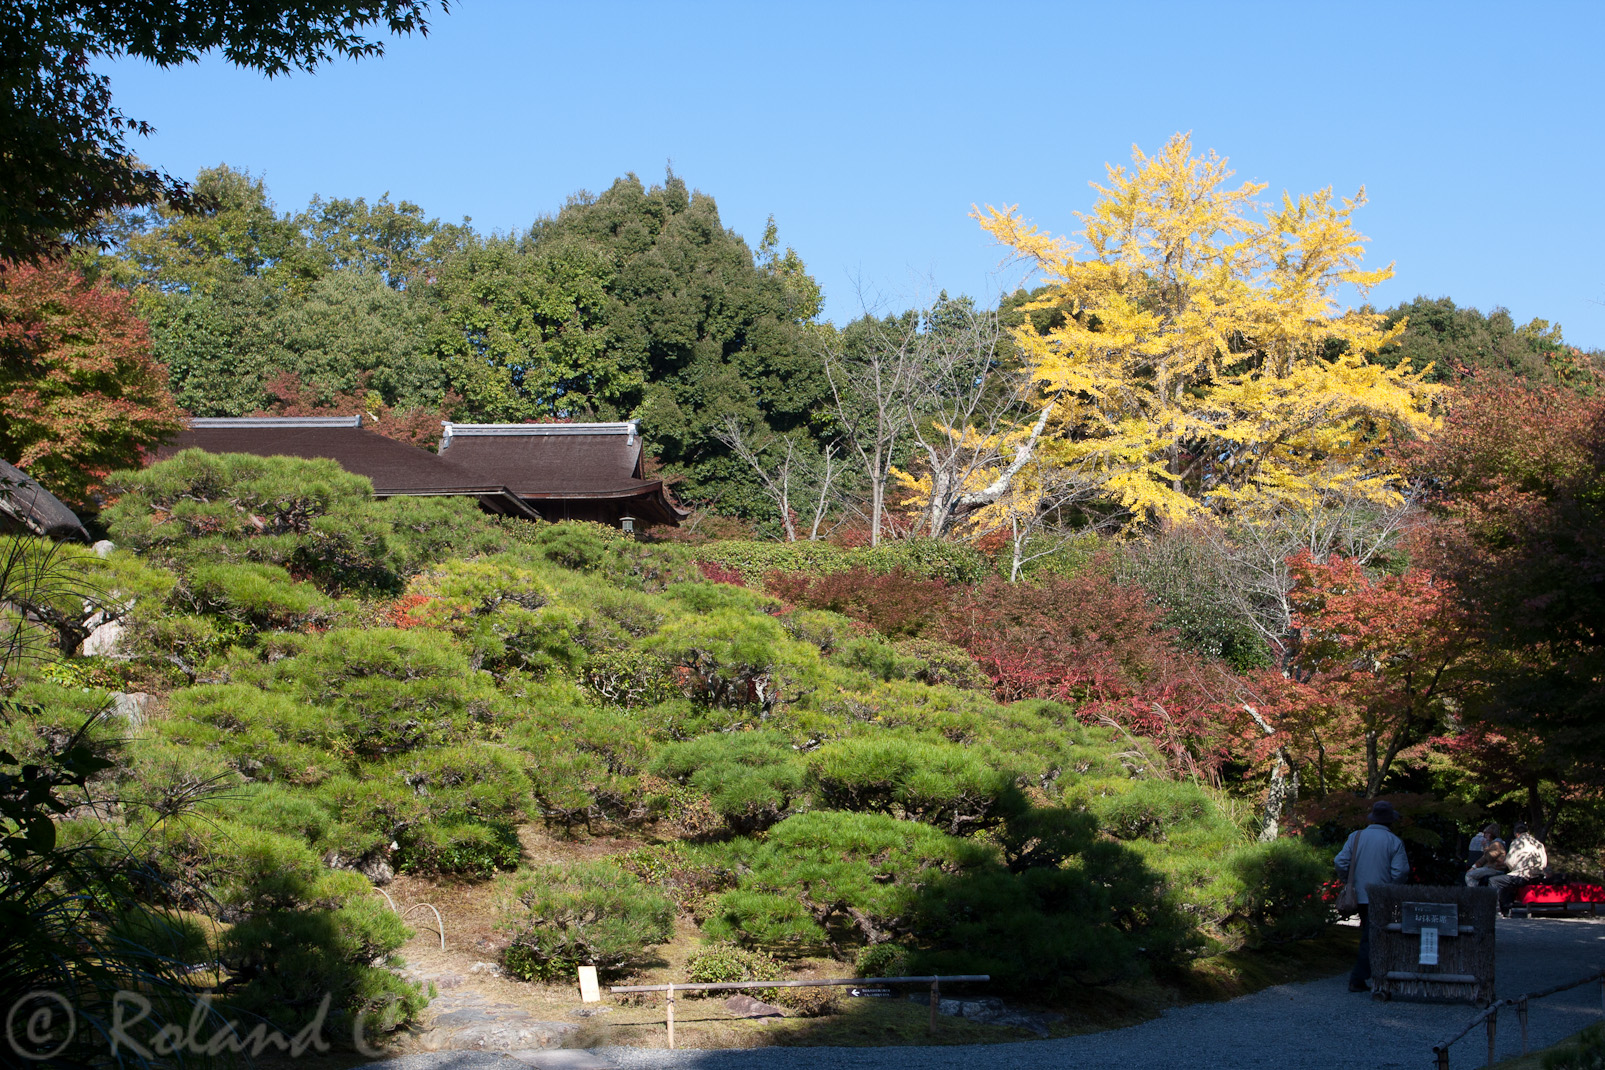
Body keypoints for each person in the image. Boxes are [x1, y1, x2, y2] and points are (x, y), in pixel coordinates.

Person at [1335, 800, 1412, 993]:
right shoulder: (1393, 841)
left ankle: (1368, 975)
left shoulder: (1356, 836)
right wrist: (1393, 887)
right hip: (1381, 895)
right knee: (1373, 936)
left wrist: (1349, 881)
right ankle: (1359, 977)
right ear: (1390, 821)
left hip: (1358, 894)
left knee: (1368, 933)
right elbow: (1400, 871)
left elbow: (1340, 861)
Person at [1490, 823, 1548, 917]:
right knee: (1508, 881)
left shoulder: (1517, 843)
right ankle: (1507, 909)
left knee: (1494, 881)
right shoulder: (1538, 843)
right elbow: (1544, 863)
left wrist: (1512, 868)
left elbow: (1510, 861)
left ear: (1516, 834)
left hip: (1522, 876)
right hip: (1537, 876)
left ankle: (1498, 910)